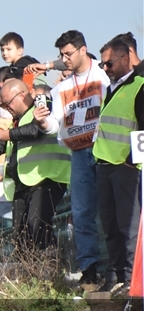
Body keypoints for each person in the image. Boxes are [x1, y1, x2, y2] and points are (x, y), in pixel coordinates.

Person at [40, 30, 109, 286]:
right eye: (61, 54)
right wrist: (43, 121)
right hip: (78, 153)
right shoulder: (61, 89)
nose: (64, 58)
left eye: (68, 53)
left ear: (82, 49)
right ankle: (89, 268)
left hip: (104, 151)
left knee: (110, 211)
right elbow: (53, 125)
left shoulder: (103, 77)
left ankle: (115, 268)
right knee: (81, 213)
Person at [0, 79, 68, 252]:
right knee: (20, 234)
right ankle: (30, 273)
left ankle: (53, 267)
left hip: (47, 177)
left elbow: (34, 131)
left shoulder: (43, 106)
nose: (6, 109)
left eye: (7, 104)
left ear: (22, 95)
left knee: (37, 224)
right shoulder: (17, 121)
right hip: (24, 183)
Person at [92, 34, 144, 293]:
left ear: (125, 58)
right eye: (102, 64)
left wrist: (130, 162)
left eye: (109, 63)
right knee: (110, 226)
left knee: (128, 227)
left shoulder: (139, 86)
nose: (105, 68)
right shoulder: (113, 89)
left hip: (126, 170)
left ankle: (131, 280)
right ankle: (114, 277)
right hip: (104, 166)